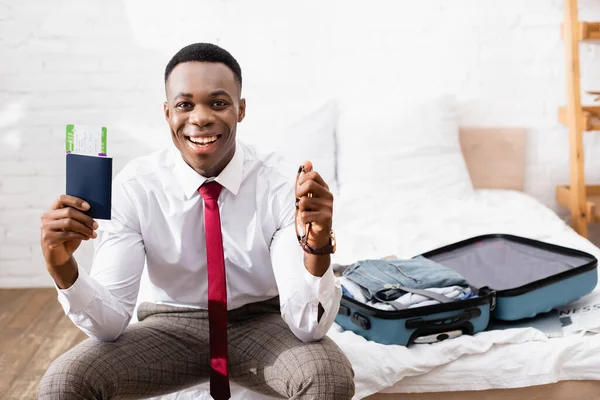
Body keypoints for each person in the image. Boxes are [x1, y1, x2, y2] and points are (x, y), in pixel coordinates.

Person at [38, 43, 354, 400]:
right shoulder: (135, 187)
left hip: (262, 323)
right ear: (167, 112)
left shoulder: (280, 184)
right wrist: (61, 266)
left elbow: (307, 327)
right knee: (64, 381)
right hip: (171, 325)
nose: (200, 118)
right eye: (185, 104)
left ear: (241, 109)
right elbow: (110, 325)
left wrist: (317, 246)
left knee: (328, 377)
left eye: (218, 103)